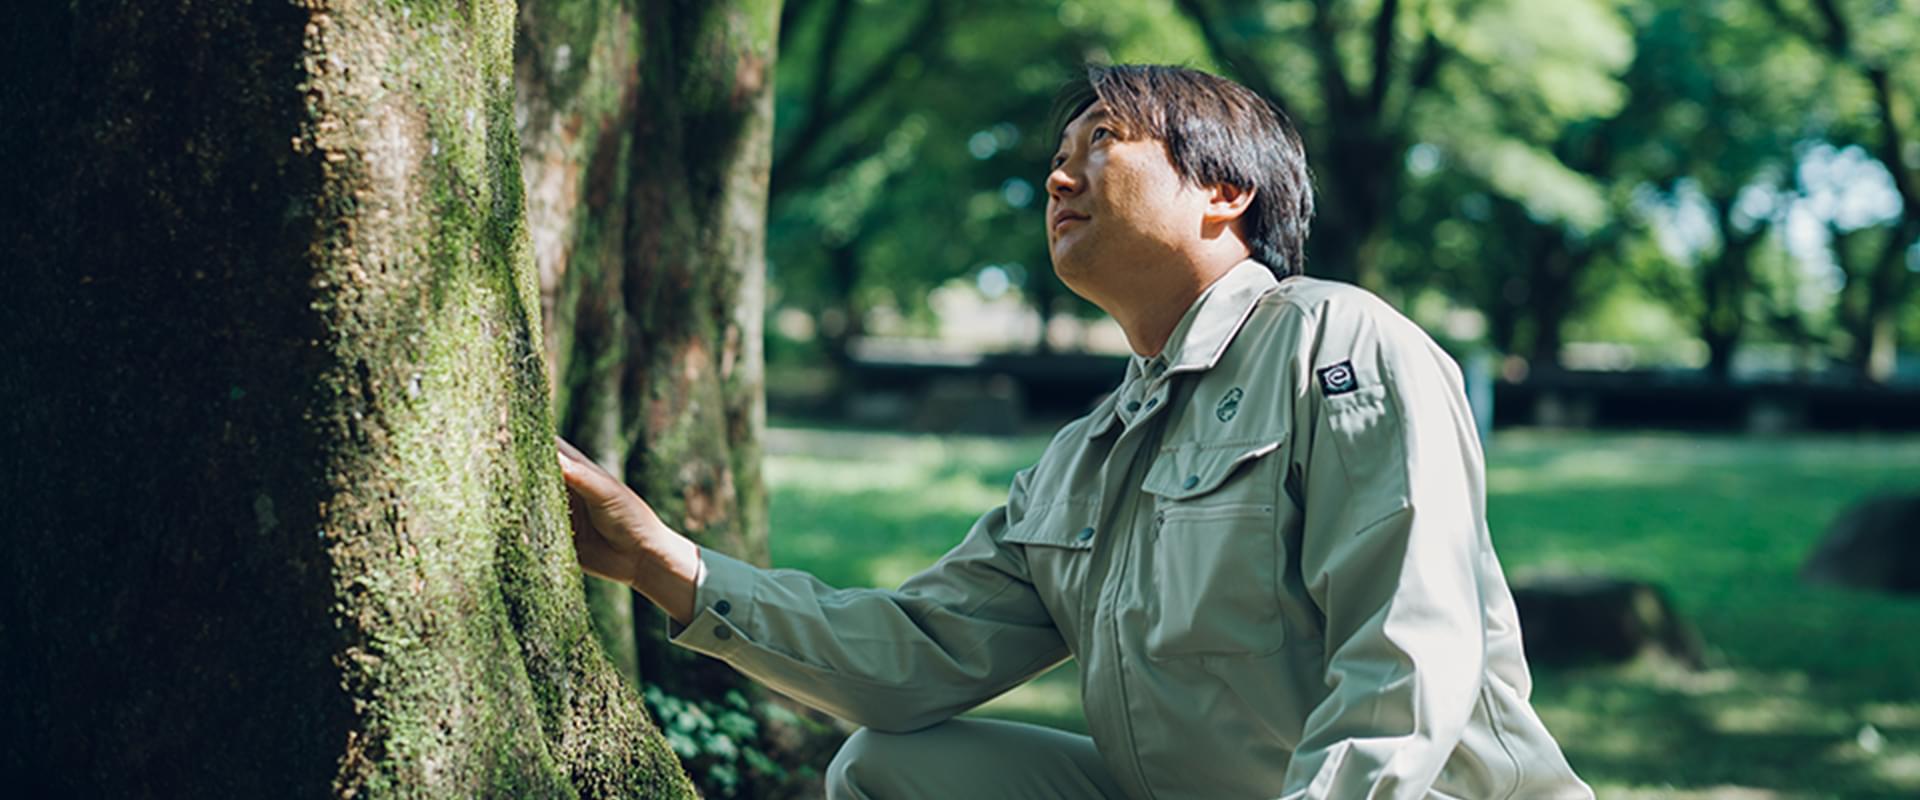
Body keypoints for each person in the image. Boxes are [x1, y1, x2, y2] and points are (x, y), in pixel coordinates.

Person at [557, 64, 1592, 799]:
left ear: (1225, 193)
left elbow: (1405, 661)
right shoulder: (1084, 456)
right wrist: (665, 562)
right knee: (887, 767)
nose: (1058, 178)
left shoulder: (1338, 342)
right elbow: (909, 655)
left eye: (1102, 145)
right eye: (1058, 157)